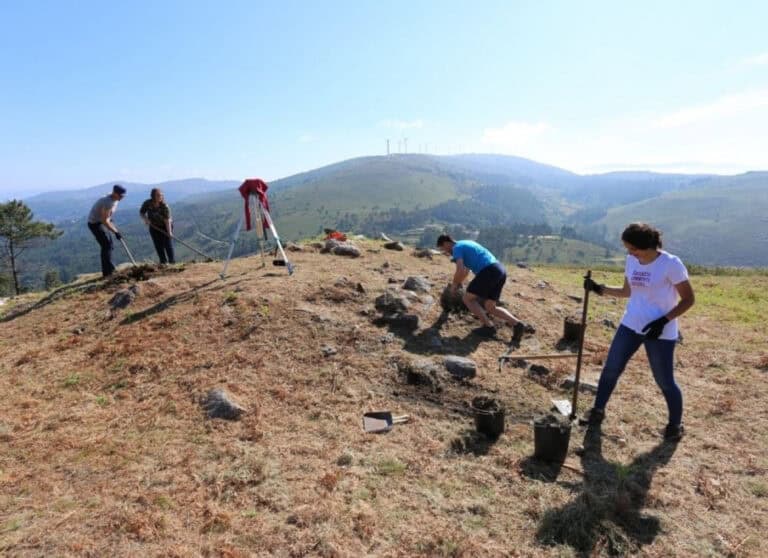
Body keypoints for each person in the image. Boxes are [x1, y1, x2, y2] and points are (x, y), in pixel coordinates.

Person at [581, 223, 695, 440]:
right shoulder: (632, 260)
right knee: (611, 368)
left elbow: (689, 299)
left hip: (660, 331)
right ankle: (597, 411)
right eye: (628, 248)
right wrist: (599, 289)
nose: (629, 253)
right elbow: (627, 291)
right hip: (630, 325)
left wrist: (663, 321)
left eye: (633, 248)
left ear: (647, 245)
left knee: (664, 381)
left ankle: (675, 425)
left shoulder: (671, 264)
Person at [436, 234, 528, 340]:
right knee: (490, 306)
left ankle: (488, 327)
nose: (446, 252)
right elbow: (466, 271)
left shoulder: (456, 248)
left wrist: (454, 285)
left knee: (467, 299)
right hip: (500, 269)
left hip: (488, 271)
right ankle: (518, 324)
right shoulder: (467, 243)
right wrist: (459, 282)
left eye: (443, 248)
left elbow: (460, 269)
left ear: (446, 243)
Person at [87, 184, 126, 277]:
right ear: (115, 193)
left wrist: (109, 216)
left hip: (100, 221)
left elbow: (107, 214)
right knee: (107, 245)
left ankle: (109, 270)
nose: (122, 197)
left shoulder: (115, 198)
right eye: (120, 195)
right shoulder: (108, 202)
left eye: (123, 195)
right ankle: (109, 272)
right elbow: (104, 221)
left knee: (109, 245)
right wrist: (116, 232)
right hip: (95, 224)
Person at [139, 188, 175, 264]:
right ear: (153, 196)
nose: (160, 197)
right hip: (154, 227)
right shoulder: (147, 203)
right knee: (158, 245)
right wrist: (146, 219)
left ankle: (172, 262)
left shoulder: (164, 206)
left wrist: (169, 232)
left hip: (165, 226)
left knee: (167, 245)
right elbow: (142, 212)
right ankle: (163, 262)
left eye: (161, 195)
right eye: (158, 195)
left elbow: (167, 220)